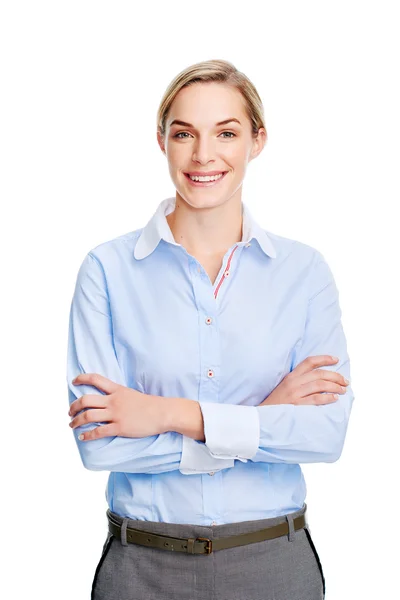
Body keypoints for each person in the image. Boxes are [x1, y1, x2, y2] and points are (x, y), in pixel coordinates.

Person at [66, 59, 354, 600]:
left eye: (226, 132)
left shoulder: (304, 272)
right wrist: (262, 419)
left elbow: (324, 435)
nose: (203, 155)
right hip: (143, 568)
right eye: (184, 134)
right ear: (162, 141)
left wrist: (169, 414)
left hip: (274, 564)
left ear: (257, 140)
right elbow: (100, 447)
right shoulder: (107, 271)